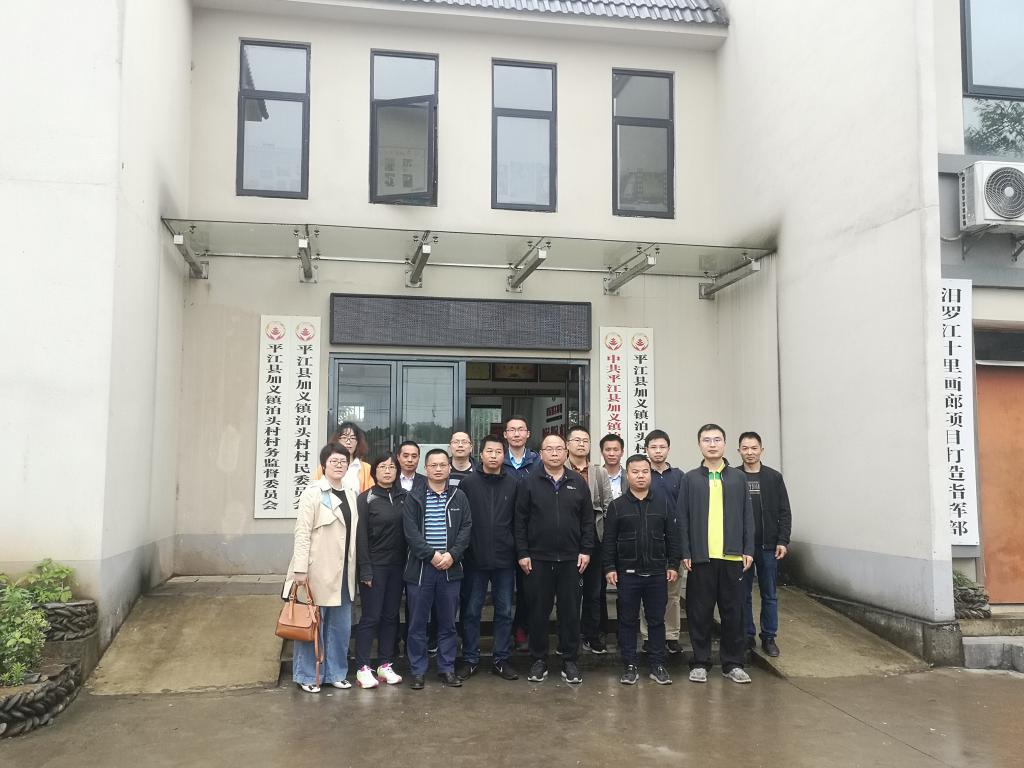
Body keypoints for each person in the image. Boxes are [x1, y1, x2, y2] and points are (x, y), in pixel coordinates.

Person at [515, 434, 595, 685]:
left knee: (570, 612)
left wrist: (586, 550)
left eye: (559, 448)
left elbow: (588, 520)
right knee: (538, 611)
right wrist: (523, 553)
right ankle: (538, 659)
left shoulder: (577, 482)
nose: (554, 453)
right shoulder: (529, 482)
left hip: (572, 559)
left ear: (566, 452)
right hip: (537, 559)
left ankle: (570, 660)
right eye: (549, 449)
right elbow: (520, 521)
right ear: (541, 453)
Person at [678, 423, 754, 684]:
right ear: (699, 444)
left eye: (717, 439)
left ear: (724, 444)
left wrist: (748, 548)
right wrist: (686, 550)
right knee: (699, 612)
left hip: (732, 557)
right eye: (707, 440)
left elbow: (747, 516)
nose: (712, 444)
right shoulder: (690, 479)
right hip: (701, 558)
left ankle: (733, 663)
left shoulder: (738, 477)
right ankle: (700, 662)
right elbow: (682, 518)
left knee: (733, 613)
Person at [286, 443, 360, 693]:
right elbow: (302, 532)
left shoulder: (351, 493)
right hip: (317, 569)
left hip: (344, 571)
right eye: (334, 461)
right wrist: (300, 569)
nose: (339, 465)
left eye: (343, 461)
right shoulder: (313, 493)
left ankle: (335, 673)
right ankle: (307, 675)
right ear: (324, 465)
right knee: (313, 624)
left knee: (340, 627)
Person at [604, 455, 681, 686]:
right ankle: (629, 665)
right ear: (627, 475)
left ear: (650, 475)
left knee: (656, 620)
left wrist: (673, 564)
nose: (640, 476)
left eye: (645, 472)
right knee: (627, 621)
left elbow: (673, 538)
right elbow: (609, 540)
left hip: (657, 574)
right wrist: (609, 567)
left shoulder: (663, 503)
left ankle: (658, 664)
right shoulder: (617, 506)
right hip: (628, 574)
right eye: (635, 472)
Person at [403, 448, 472, 689]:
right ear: (426, 469)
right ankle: (418, 671)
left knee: (448, 623)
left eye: (443, 464)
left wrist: (452, 555)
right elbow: (410, 533)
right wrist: (431, 555)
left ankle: (446, 668)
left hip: (450, 569)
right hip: (422, 570)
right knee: (417, 624)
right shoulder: (414, 497)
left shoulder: (459, 497)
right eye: (433, 465)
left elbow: (466, 529)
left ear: (449, 468)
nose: (439, 469)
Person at [457, 435, 519, 681]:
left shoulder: (514, 483)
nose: (494, 456)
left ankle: (500, 659)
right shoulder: (468, 484)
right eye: (489, 451)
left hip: (505, 559)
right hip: (475, 559)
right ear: (480, 455)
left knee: (504, 611)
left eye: (498, 452)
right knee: (472, 611)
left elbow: (519, 521)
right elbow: (462, 522)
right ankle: (470, 659)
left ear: (504, 456)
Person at [353, 454, 406, 689]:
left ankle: (385, 664)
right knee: (371, 617)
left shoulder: (405, 497)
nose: (387, 470)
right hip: (374, 566)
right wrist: (365, 569)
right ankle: (363, 667)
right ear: (374, 471)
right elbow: (361, 537)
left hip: (398, 566)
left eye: (392, 467)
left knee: (391, 616)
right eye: (383, 467)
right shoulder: (366, 498)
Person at [737, 431, 792, 658]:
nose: (750, 452)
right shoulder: (734, 477)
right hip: (743, 548)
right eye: (745, 448)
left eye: (754, 448)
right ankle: (747, 635)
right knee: (744, 594)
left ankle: (769, 637)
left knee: (769, 594)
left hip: (769, 546)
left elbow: (784, 511)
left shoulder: (773, 477)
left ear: (761, 450)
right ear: (739, 451)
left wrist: (783, 540)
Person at [565, 425, 612, 654]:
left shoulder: (598, 472)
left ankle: (591, 635)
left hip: (594, 536)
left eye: (585, 440)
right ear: (567, 444)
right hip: (567, 536)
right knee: (569, 592)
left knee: (594, 590)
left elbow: (607, 504)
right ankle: (569, 636)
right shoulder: (559, 468)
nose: (581, 444)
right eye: (577, 440)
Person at [640, 429, 685, 654]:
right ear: (646, 449)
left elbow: (685, 509)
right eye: (653, 447)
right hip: (647, 541)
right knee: (647, 593)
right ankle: (648, 635)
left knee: (672, 593)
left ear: (668, 449)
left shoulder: (679, 476)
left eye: (662, 447)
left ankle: (671, 635)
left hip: (673, 542)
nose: (658, 451)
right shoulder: (641, 473)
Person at [502, 415, 540, 651]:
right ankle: (503, 633)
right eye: (512, 430)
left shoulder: (538, 462)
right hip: (503, 533)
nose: (516, 434)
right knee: (504, 589)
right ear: (505, 434)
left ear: (528, 434)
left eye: (521, 429)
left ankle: (521, 628)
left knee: (528, 589)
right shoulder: (497, 459)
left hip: (530, 534)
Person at [313, 422, 373, 493]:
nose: (348, 442)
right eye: (344, 437)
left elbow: (370, 495)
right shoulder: (324, 467)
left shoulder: (366, 468)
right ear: (337, 440)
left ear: (357, 442)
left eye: (352, 438)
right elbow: (315, 491)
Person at [600, 433, 625, 500]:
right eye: (608, 450)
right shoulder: (595, 476)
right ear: (602, 452)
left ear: (622, 452)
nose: (611, 454)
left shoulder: (629, 477)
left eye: (616, 450)